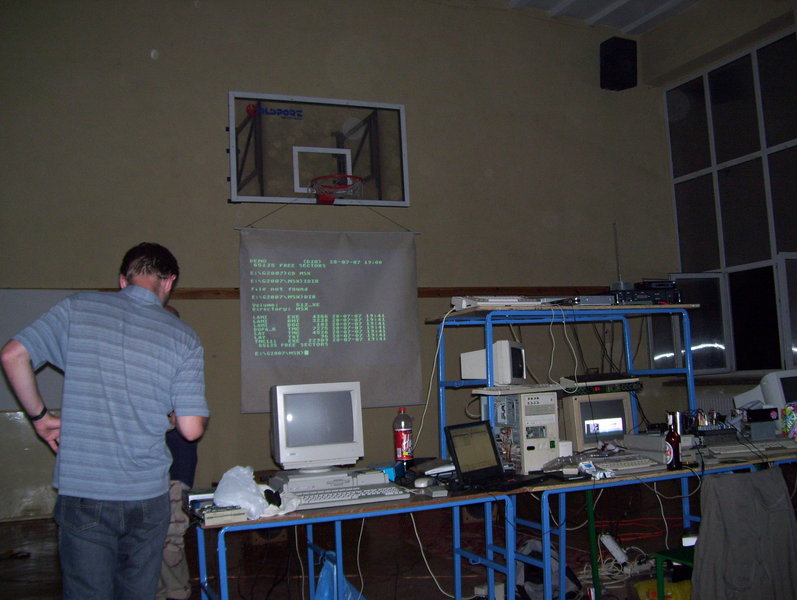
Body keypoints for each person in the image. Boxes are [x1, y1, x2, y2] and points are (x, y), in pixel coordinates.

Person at [0, 242, 209, 600]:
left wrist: (40, 418)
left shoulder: (78, 307)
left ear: (123, 280)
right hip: (147, 495)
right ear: (169, 282)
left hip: (85, 491)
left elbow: (12, 355)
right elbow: (191, 429)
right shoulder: (183, 336)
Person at [157, 305, 199, 600]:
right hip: (143, 470)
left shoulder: (181, 362)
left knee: (170, 538)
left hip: (175, 469)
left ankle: (176, 593)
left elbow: (187, 423)